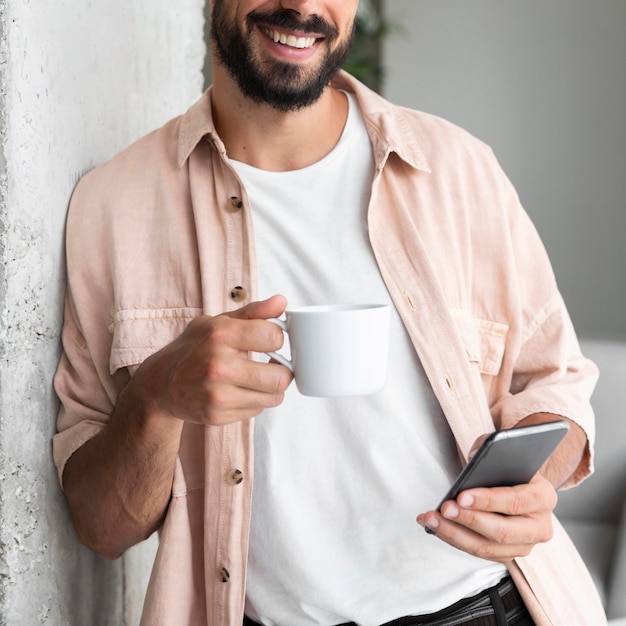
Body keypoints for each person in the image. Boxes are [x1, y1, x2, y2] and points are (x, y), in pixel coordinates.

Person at [53, 1, 607, 625]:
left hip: (490, 608)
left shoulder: (458, 170)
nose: (303, 6)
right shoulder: (111, 208)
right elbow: (101, 528)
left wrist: (533, 487)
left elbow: (556, 382)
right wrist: (153, 398)